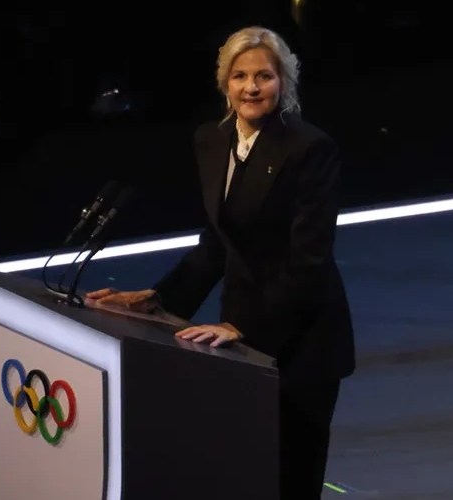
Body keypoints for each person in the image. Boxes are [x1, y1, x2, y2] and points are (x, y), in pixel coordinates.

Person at [86, 25, 355, 500]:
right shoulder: (212, 141)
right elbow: (218, 242)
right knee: (243, 469)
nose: (251, 87)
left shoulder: (310, 150)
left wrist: (242, 328)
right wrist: (160, 299)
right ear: (224, 83)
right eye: (240, 76)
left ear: (284, 83)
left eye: (264, 76)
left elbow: (308, 262)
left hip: (300, 339)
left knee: (291, 477)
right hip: (239, 338)